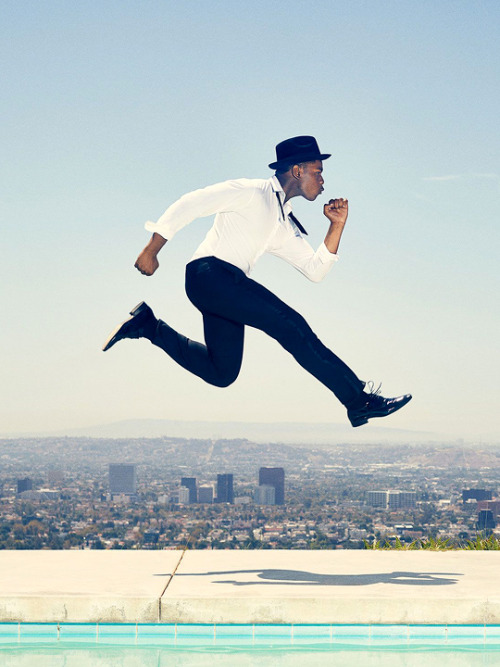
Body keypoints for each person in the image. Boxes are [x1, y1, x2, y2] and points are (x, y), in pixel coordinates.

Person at [103, 136, 411, 427]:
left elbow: (315, 270)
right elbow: (192, 202)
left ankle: (148, 326)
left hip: (221, 289)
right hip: (209, 275)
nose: (322, 181)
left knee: (222, 372)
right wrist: (152, 248)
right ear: (297, 170)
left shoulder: (281, 222)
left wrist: (337, 226)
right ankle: (359, 401)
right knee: (292, 327)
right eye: (317, 172)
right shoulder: (251, 192)